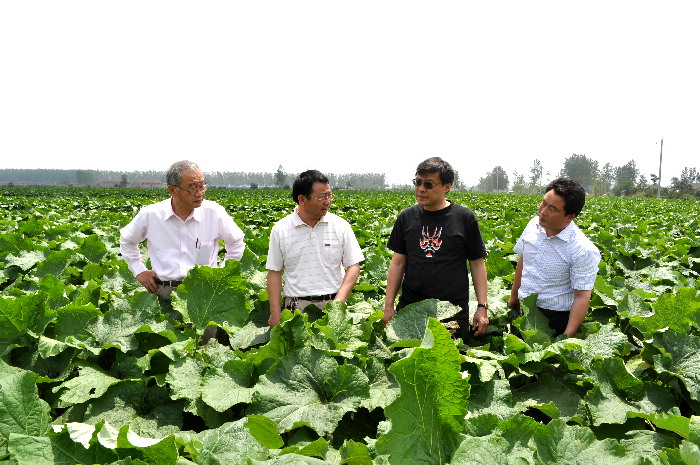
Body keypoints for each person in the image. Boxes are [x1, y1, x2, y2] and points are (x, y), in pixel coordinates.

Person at [120, 160, 245, 339]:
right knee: (164, 345)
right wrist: (138, 270)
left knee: (203, 348)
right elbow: (127, 240)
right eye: (192, 187)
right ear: (173, 190)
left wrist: (223, 274)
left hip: (203, 296)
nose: (199, 193)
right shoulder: (152, 214)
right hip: (164, 293)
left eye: (202, 186)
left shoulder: (213, 212)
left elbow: (237, 242)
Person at [382, 157, 489, 341]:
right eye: (418, 182)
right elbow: (398, 263)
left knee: (450, 357)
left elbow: (477, 264)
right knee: (407, 355)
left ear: (447, 187)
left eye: (429, 184)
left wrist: (482, 306)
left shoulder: (464, 218)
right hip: (411, 308)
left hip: (451, 312)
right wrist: (389, 305)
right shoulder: (406, 218)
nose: (421, 189)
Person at [266, 170, 364, 327]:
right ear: (302, 199)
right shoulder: (280, 229)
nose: (328, 201)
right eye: (321, 197)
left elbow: (353, 266)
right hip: (296, 308)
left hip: (332, 305)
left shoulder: (341, 226)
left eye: (329, 195)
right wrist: (275, 313)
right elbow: (274, 272)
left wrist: (339, 302)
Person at [507, 178, 601, 337]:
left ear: (570, 216)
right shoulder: (533, 225)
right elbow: (523, 260)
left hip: (555, 320)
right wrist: (514, 296)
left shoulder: (583, 249)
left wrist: (566, 337)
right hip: (523, 312)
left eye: (552, 209)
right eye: (544, 203)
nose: (543, 211)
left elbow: (582, 297)